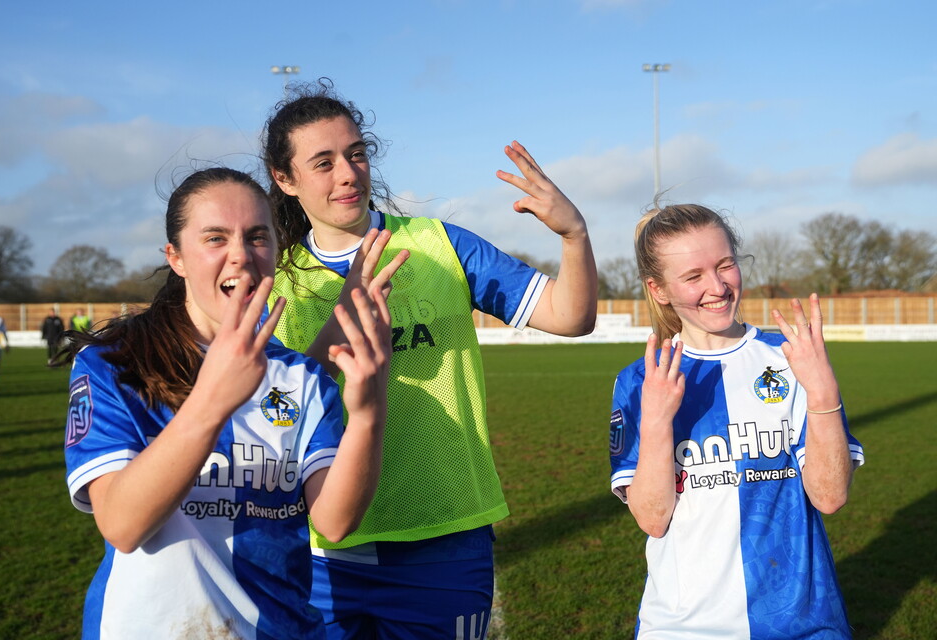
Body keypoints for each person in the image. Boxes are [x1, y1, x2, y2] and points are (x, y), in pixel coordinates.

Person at [262, 79, 598, 639]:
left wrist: (574, 235)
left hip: (445, 536)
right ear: (285, 179)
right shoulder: (278, 282)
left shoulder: (441, 244)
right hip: (323, 550)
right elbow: (275, 411)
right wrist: (341, 327)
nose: (348, 173)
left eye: (356, 154)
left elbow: (571, 316)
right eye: (323, 163)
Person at [61, 167, 392, 639]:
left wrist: (366, 414)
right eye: (215, 238)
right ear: (176, 257)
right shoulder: (114, 362)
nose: (241, 256)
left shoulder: (301, 376)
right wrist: (212, 401)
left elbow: (334, 522)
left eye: (257, 237)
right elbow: (122, 524)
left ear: (276, 252)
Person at [608, 203, 864, 639]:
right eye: (693, 276)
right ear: (659, 289)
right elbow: (653, 519)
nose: (717, 286)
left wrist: (823, 393)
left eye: (725, 265)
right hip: (682, 627)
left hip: (799, 624)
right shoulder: (640, 380)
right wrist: (656, 422)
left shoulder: (787, 359)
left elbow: (830, 495)